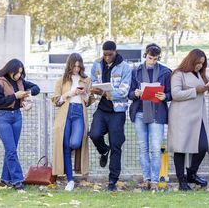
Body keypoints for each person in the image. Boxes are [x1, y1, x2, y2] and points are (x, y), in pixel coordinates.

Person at [167, 49, 209, 191]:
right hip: (181, 116)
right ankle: (181, 181)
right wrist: (196, 90)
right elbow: (175, 94)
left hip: (198, 117)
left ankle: (192, 173)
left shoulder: (201, 75)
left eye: (202, 64)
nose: (200, 66)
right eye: (198, 63)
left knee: (202, 146)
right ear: (191, 60)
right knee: (180, 148)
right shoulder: (178, 74)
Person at [0, 59, 40, 191]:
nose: (18, 76)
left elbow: (36, 88)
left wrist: (27, 93)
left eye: (20, 73)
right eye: (17, 73)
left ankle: (4, 181)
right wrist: (15, 96)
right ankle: (18, 181)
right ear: (10, 70)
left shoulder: (20, 82)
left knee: (11, 151)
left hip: (17, 117)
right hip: (2, 118)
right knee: (11, 151)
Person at [89, 41, 131, 191]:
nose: (107, 57)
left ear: (115, 51)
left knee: (116, 144)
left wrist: (106, 93)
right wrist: (94, 89)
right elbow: (93, 81)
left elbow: (124, 91)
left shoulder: (125, 67)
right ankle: (103, 150)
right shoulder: (97, 64)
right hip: (101, 108)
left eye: (110, 54)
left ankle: (112, 180)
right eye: (104, 54)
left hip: (117, 112)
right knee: (94, 134)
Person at [128, 43, 172, 191]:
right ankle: (146, 179)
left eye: (155, 59)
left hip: (157, 114)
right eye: (150, 58)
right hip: (140, 113)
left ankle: (154, 180)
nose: (152, 61)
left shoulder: (165, 72)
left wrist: (164, 96)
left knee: (155, 148)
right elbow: (129, 93)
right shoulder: (136, 71)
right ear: (145, 56)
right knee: (143, 148)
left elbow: (171, 94)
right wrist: (134, 94)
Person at [51, 53, 94, 191]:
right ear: (70, 65)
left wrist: (84, 94)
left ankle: (70, 169)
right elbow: (56, 101)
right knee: (65, 145)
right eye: (74, 66)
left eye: (78, 66)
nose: (76, 69)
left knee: (75, 142)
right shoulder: (62, 80)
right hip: (65, 113)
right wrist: (69, 94)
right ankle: (70, 179)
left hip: (78, 113)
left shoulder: (86, 80)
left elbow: (88, 102)